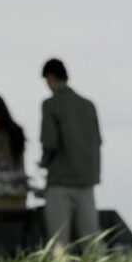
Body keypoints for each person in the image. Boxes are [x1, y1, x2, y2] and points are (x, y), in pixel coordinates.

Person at [39, 58, 102, 252]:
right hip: (86, 181)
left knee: (59, 243)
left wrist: (44, 162)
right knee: (92, 241)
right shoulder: (88, 105)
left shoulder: (51, 104)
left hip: (60, 182)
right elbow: (97, 141)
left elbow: (50, 142)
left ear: (50, 77)